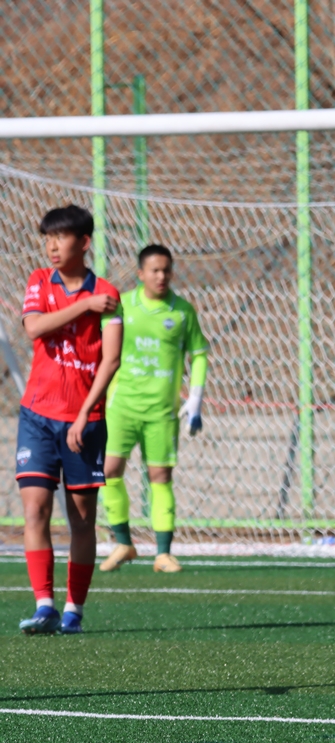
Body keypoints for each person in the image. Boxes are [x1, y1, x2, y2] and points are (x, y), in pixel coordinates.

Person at [17, 204, 123, 635]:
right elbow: (34, 328)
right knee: (35, 509)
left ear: (84, 242)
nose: (52, 246)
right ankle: (44, 605)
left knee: (81, 519)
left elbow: (111, 360)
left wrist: (83, 416)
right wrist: (83, 307)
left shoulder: (108, 295)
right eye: (48, 238)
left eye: (60, 237)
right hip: (37, 416)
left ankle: (73, 611)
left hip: (85, 422)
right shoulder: (40, 281)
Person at [99, 244, 209, 574]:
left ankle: (163, 554)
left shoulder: (182, 311)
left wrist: (195, 398)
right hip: (122, 406)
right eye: (155, 270)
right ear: (141, 274)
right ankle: (123, 543)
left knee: (160, 476)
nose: (161, 276)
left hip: (162, 411)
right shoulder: (122, 306)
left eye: (166, 270)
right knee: (108, 472)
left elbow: (199, 354)